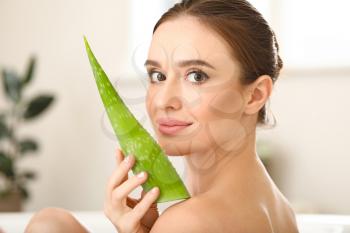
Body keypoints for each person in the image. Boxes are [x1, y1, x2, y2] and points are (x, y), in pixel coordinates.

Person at [25, 0, 299, 232]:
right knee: (53, 223)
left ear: (255, 95)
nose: (163, 100)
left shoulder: (189, 222)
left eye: (196, 76)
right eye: (158, 76)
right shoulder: (280, 210)